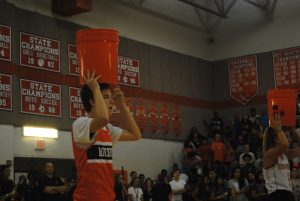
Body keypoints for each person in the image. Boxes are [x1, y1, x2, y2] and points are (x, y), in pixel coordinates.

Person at [72, 70, 141, 201]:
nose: (111, 101)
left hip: (108, 197)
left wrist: (122, 105)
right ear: (92, 101)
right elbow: (103, 118)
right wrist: (95, 87)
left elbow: (136, 135)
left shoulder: (107, 129)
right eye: (106, 97)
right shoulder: (80, 123)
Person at [262, 114, 298, 201]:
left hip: (288, 194)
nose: (289, 139)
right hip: (276, 195)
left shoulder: (286, 155)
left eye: (289, 136)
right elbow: (285, 144)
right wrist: (278, 127)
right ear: (276, 139)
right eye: (286, 136)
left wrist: (293, 129)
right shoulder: (269, 154)